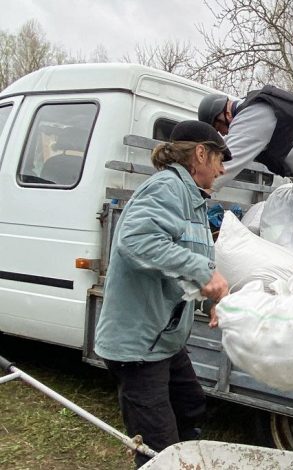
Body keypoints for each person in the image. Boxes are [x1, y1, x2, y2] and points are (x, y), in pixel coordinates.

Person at [94, 120, 231, 468]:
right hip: (139, 347)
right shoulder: (167, 188)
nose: (222, 168)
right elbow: (136, 242)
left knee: (191, 407)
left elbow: (181, 263)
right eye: (219, 158)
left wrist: (211, 296)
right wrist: (204, 273)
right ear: (200, 153)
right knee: (158, 444)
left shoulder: (193, 199)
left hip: (164, 341)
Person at [198, 86, 293, 251]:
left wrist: (200, 188)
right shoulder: (251, 112)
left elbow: (228, 162)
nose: (221, 133)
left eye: (218, 128)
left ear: (225, 115)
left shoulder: (251, 116)